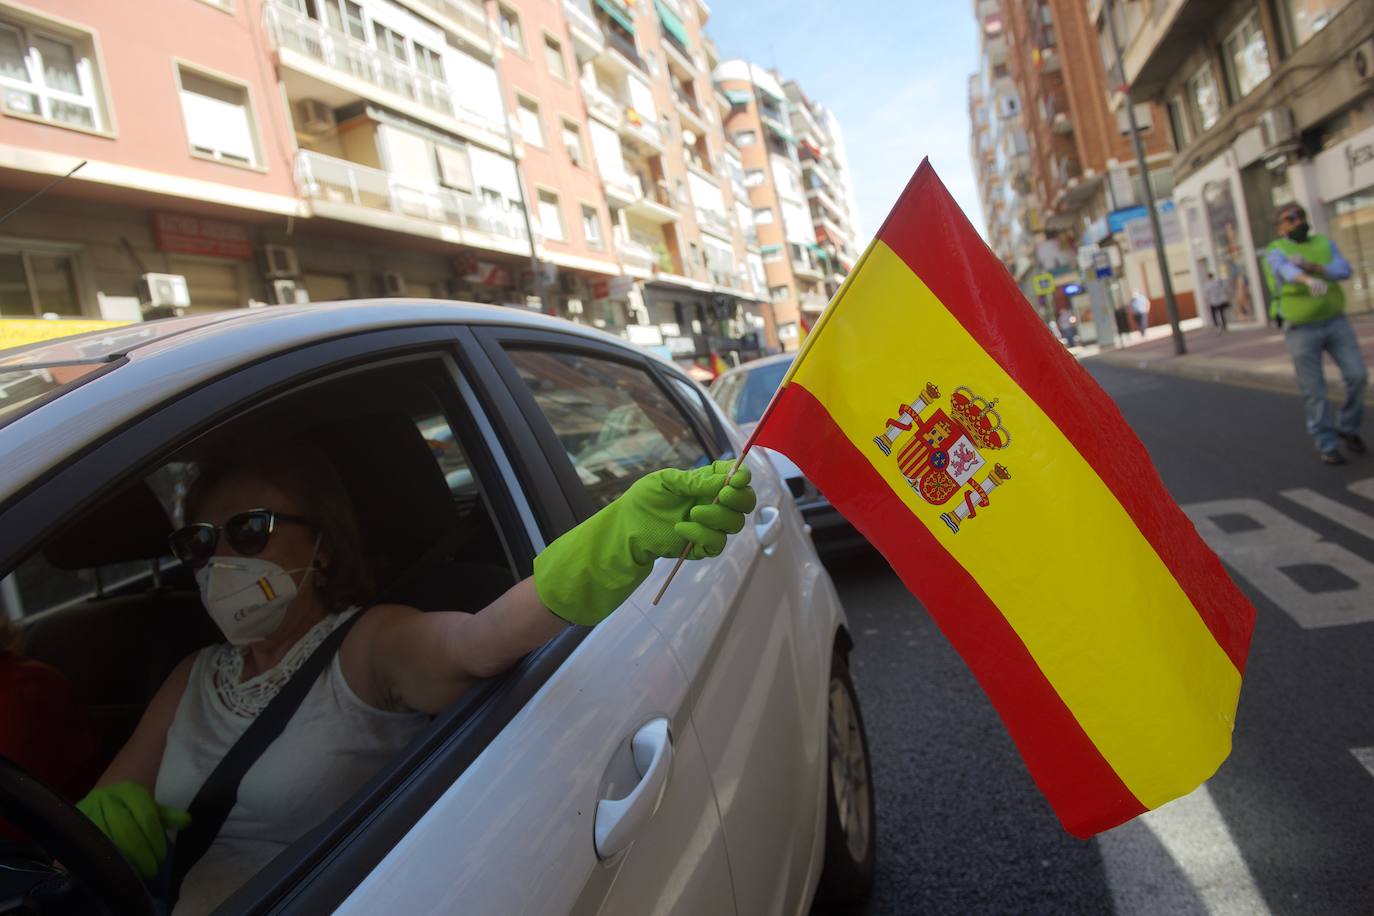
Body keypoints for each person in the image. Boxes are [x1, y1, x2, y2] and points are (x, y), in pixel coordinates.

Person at [74, 439, 756, 913]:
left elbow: (475, 644)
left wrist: (612, 540)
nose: (220, 557)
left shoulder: (369, 643)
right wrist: (103, 837)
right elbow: (86, 838)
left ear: (321, 542)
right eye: (198, 541)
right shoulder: (192, 676)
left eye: (249, 530)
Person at [1263, 203, 1367, 465]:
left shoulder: (1323, 243)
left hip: (1335, 321)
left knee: (1358, 375)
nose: (1298, 222)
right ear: (1281, 227)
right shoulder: (1276, 250)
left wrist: (1316, 268)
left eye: (1301, 216)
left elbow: (1344, 270)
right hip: (1300, 329)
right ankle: (1326, 443)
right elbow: (1286, 272)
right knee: (1314, 390)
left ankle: (1348, 426)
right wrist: (1307, 280)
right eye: (1291, 218)